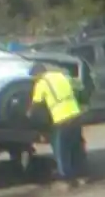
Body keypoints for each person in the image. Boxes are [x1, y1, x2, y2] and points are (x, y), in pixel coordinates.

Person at [28, 60, 86, 188]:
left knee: (61, 151)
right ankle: (81, 175)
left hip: (62, 118)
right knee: (76, 147)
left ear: (37, 75)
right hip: (76, 115)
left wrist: (29, 114)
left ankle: (67, 179)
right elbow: (79, 87)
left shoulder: (42, 83)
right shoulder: (61, 76)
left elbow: (36, 105)